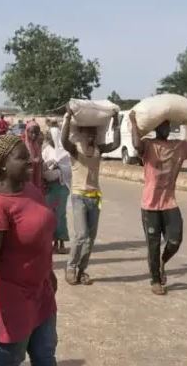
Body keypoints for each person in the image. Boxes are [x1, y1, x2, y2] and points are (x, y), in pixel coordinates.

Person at [0, 135, 57, 365]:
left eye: (29, 156)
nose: (30, 161)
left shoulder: (30, 190)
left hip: (42, 296)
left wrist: (49, 273)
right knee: (10, 359)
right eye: (22, 158)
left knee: (45, 357)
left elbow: (41, 238)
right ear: (2, 164)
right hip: (12, 305)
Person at [130, 111, 187, 295]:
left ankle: (163, 261)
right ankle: (155, 280)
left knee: (175, 240)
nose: (165, 128)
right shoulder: (149, 145)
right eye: (162, 125)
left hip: (169, 202)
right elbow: (136, 144)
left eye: (167, 125)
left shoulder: (179, 146)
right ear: (156, 127)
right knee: (153, 244)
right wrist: (134, 122)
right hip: (150, 204)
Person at [61, 107, 120, 286]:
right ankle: (70, 268)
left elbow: (115, 145)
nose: (91, 137)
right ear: (80, 134)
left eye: (94, 134)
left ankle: (82, 270)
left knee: (91, 238)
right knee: (81, 235)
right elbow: (63, 140)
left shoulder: (98, 150)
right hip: (78, 196)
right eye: (88, 133)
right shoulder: (74, 149)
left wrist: (116, 121)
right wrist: (69, 117)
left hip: (95, 197)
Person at [43, 126, 72, 254]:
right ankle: (49, 241)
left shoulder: (64, 152)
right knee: (48, 215)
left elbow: (69, 170)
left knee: (60, 215)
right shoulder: (46, 151)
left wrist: (58, 167)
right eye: (47, 136)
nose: (48, 138)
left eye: (50, 136)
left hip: (61, 187)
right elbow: (42, 167)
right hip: (49, 187)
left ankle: (60, 242)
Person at [25, 121, 44, 192]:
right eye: (31, 132)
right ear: (27, 132)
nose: (34, 135)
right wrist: (33, 160)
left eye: (36, 133)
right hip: (27, 174)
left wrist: (40, 160)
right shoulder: (22, 145)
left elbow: (39, 157)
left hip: (37, 172)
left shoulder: (37, 144)